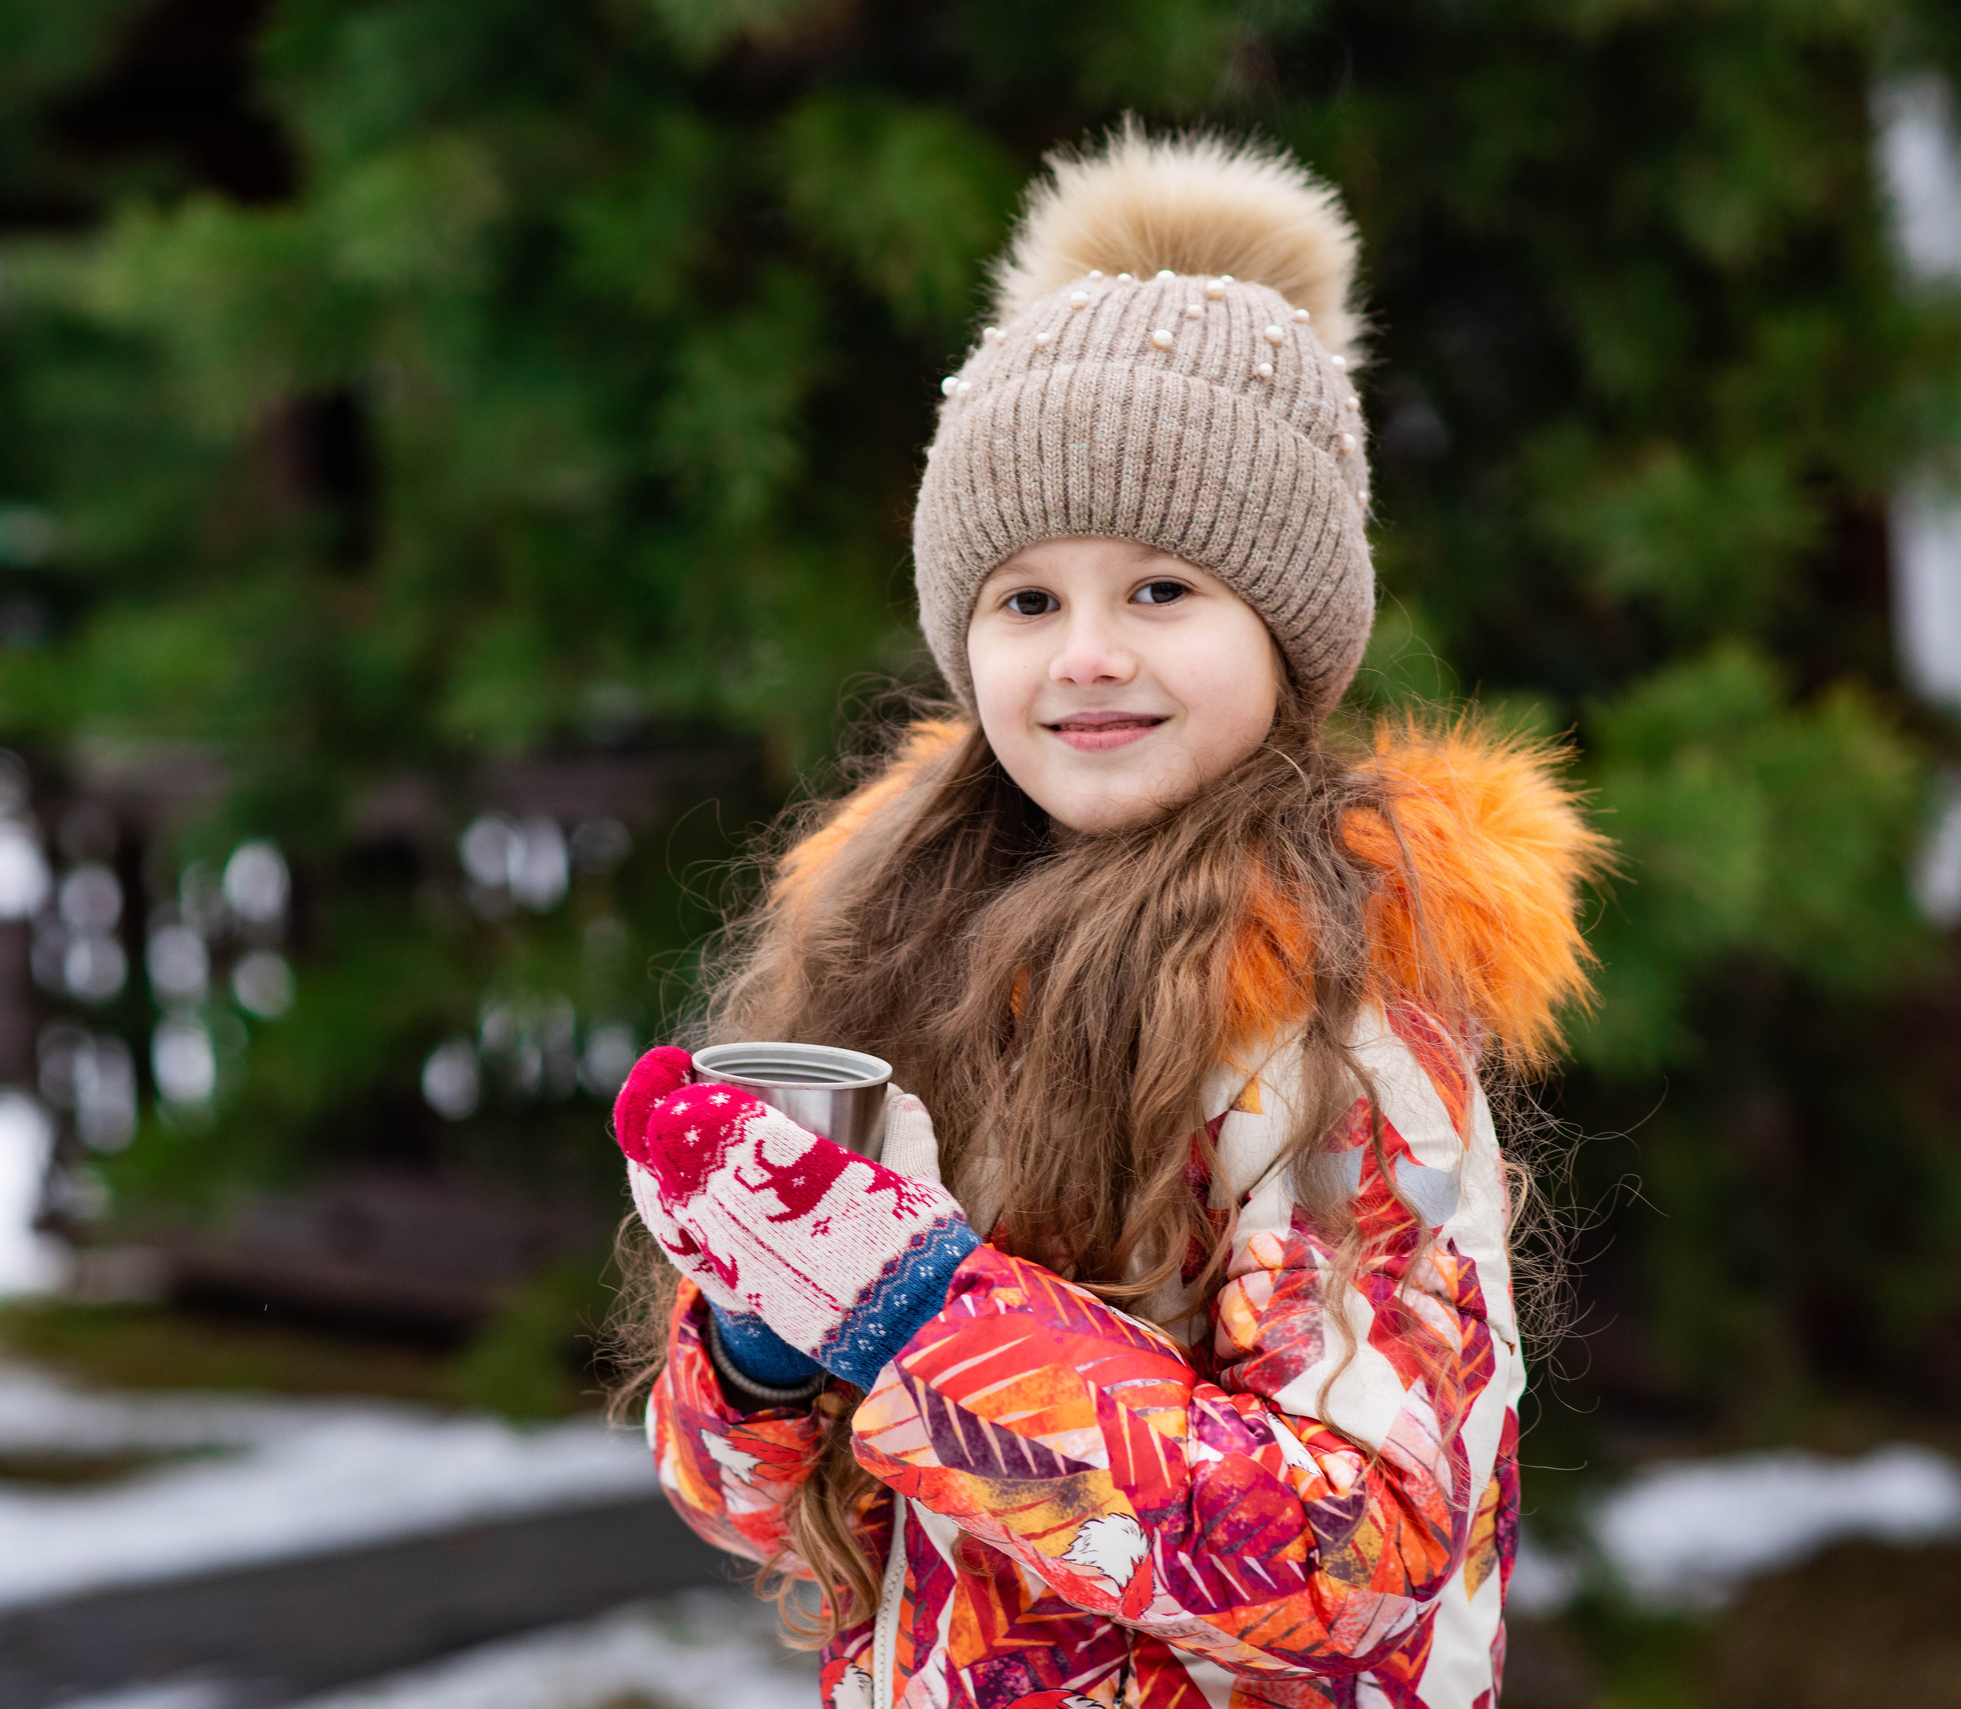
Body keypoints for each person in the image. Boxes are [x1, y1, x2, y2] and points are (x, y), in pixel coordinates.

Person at [610, 124, 1604, 1709]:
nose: (1084, 652)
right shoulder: (908, 950)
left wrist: (918, 1315)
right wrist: (762, 1335)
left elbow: (1363, 1556)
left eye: (1159, 590)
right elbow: (750, 1509)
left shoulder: (1335, 1016)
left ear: (1288, 634)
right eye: (1027, 599)